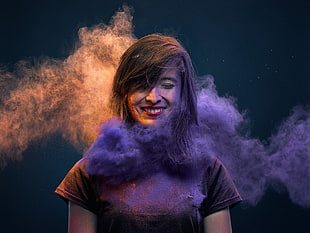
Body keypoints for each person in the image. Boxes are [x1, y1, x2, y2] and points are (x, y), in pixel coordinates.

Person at [55, 34, 242, 233]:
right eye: (141, 84)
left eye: (167, 85)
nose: (153, 97)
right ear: (124, 91)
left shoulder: (208, 170)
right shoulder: (90, 171)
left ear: (182, 93)